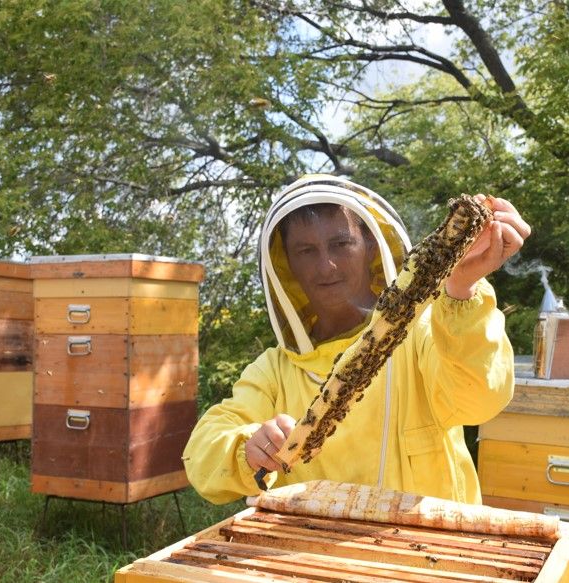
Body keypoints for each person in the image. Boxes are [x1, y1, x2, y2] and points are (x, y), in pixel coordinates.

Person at [183, 175, 531, 505]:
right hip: (310, 557)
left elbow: (480, 399)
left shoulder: (424, 333)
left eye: (340, 243)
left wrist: (461, 288)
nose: (326, 266)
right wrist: (245, 450)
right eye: (306, 251)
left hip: (426, 555)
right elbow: (202, 454)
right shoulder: (276, 370)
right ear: (287, 266)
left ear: (369, 246)